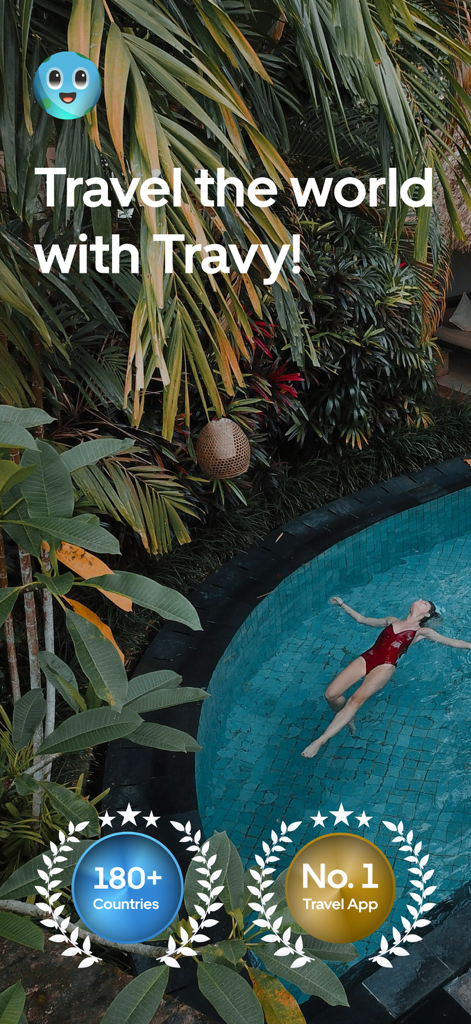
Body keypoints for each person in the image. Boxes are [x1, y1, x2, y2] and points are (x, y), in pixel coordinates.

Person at [301, 597, 471, 759]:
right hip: (368, 657)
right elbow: (362, 619)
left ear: (426, 614)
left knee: (354, 701)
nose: (419, 600)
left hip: (385, 666)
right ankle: (347, 717)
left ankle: (320, 741)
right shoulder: (392, 620)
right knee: (331, 695)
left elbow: (453, 642)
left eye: (424, 603)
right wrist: (342, 604)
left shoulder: (422, 632)